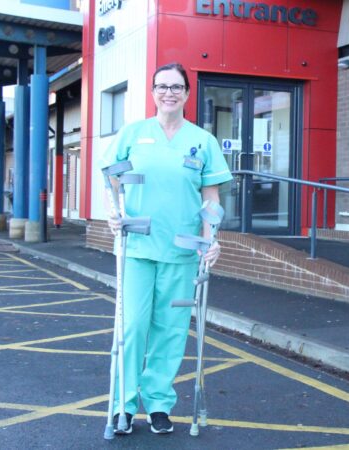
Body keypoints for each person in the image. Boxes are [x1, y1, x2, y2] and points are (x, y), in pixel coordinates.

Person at [102, 62, 233, 436]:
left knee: (171, 330)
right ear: (153, 92)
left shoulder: (202, 141)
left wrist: (212, 237)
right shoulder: (134, 133)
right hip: (137, 248)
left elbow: (210, 196)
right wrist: (115, 213)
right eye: (162, 86)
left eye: (176, 87)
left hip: (182, 250)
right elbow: (111, 178)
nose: (169, 93)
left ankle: (159, 403)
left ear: (188, 94)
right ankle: (122, 406)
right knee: (132, 328)